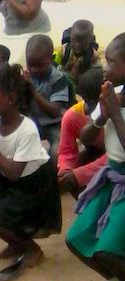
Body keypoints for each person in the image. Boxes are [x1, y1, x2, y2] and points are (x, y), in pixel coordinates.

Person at [0, 64, 61, 281]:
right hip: (8, 178)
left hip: (33, 182)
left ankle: (32, 249)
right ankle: (16, 244)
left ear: (10, 100)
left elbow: (14, 174)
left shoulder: (26, 128)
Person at [66, 33, 125, 281]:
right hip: (112, 175)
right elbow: (87, 136)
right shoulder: (113, 92)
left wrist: (115, 114)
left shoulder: (115, 102)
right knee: (77, 238)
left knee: (108, 247)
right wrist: (102, 116)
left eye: (112, 62)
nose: (105, 67)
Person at [57, 67, 107, 196]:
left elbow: (115, 156)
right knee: (71, 178)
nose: (92, 107)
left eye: (97, 102)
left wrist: (79, 175)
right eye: (87, 101)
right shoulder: (72, 116)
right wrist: (65, 170)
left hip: (116, 158)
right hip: (96, 152)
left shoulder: (116, 114)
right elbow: (66, 151)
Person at [25, 34, 73, 160]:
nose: (34, 70)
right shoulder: (26, 77)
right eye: (30, 65)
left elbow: (54, 111)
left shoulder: (59, 80)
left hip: (55, 124)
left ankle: (54, 179)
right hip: (32, 122)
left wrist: (32, 91)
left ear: (51, 59)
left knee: (56, 152)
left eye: (40, 65)